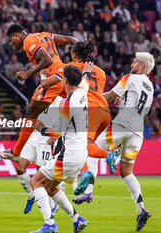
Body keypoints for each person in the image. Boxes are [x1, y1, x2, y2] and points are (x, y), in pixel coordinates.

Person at [76, 52, 154, 231]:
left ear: (141, 66)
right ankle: (141, 209)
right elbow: (143, 111)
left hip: (121, 126)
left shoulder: (130, 77)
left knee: (92, 150)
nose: (132, 63)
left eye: (135, 61)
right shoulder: (150, 86)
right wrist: (124, 105)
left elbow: (110, 96)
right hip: (137, 132)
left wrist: (87, 100)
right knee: (127, 171)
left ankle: (88, 192)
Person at [0, 23, 78, 162]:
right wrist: (79, 60)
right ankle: (66, 138)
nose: (11, 44)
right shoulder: (43, 35)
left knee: (31, 113)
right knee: (69, 113)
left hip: (52, 80)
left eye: (11, 40)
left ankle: (16, 152)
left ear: (17, 35)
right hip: (63, 75)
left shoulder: (28, 41)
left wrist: (28, 73)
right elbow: (71, 40)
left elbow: (47, 60)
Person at [29, 63, 92, 233]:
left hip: (69, 154)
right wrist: (86, 71)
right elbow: (86, 80)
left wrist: (41, 128)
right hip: (81, 153)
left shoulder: (68, 102)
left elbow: (58, 132)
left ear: (64, 80)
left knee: (35, 181)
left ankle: (49, 224)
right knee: (50, 188)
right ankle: (76, 219)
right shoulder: (82, 93)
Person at [62, 40, 119, 201]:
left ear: (74, 54)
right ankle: (86, 181)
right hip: (104, 112)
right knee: (85, 145)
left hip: (90, 111)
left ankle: (108, 155)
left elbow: (65, 87)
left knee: (82, 145)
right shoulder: (101, 72)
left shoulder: (71, 68)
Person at [16, 95, 62, 215]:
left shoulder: (61, 98)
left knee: (40, 176)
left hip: (45, 138)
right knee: (20, 167)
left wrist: (56, 133)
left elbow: (66, 120)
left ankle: (52, 206)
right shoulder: (40, 94)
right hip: (33, 135)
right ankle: (31, 196)